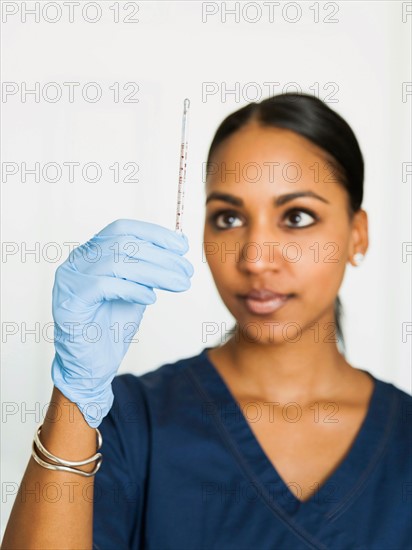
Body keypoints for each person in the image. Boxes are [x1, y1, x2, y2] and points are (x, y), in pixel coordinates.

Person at [2, 93, 411, 550]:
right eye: (228, 217)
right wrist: (74, 397)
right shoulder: (130, 424)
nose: (255, 258)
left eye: (296, 217)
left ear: (359, 234)